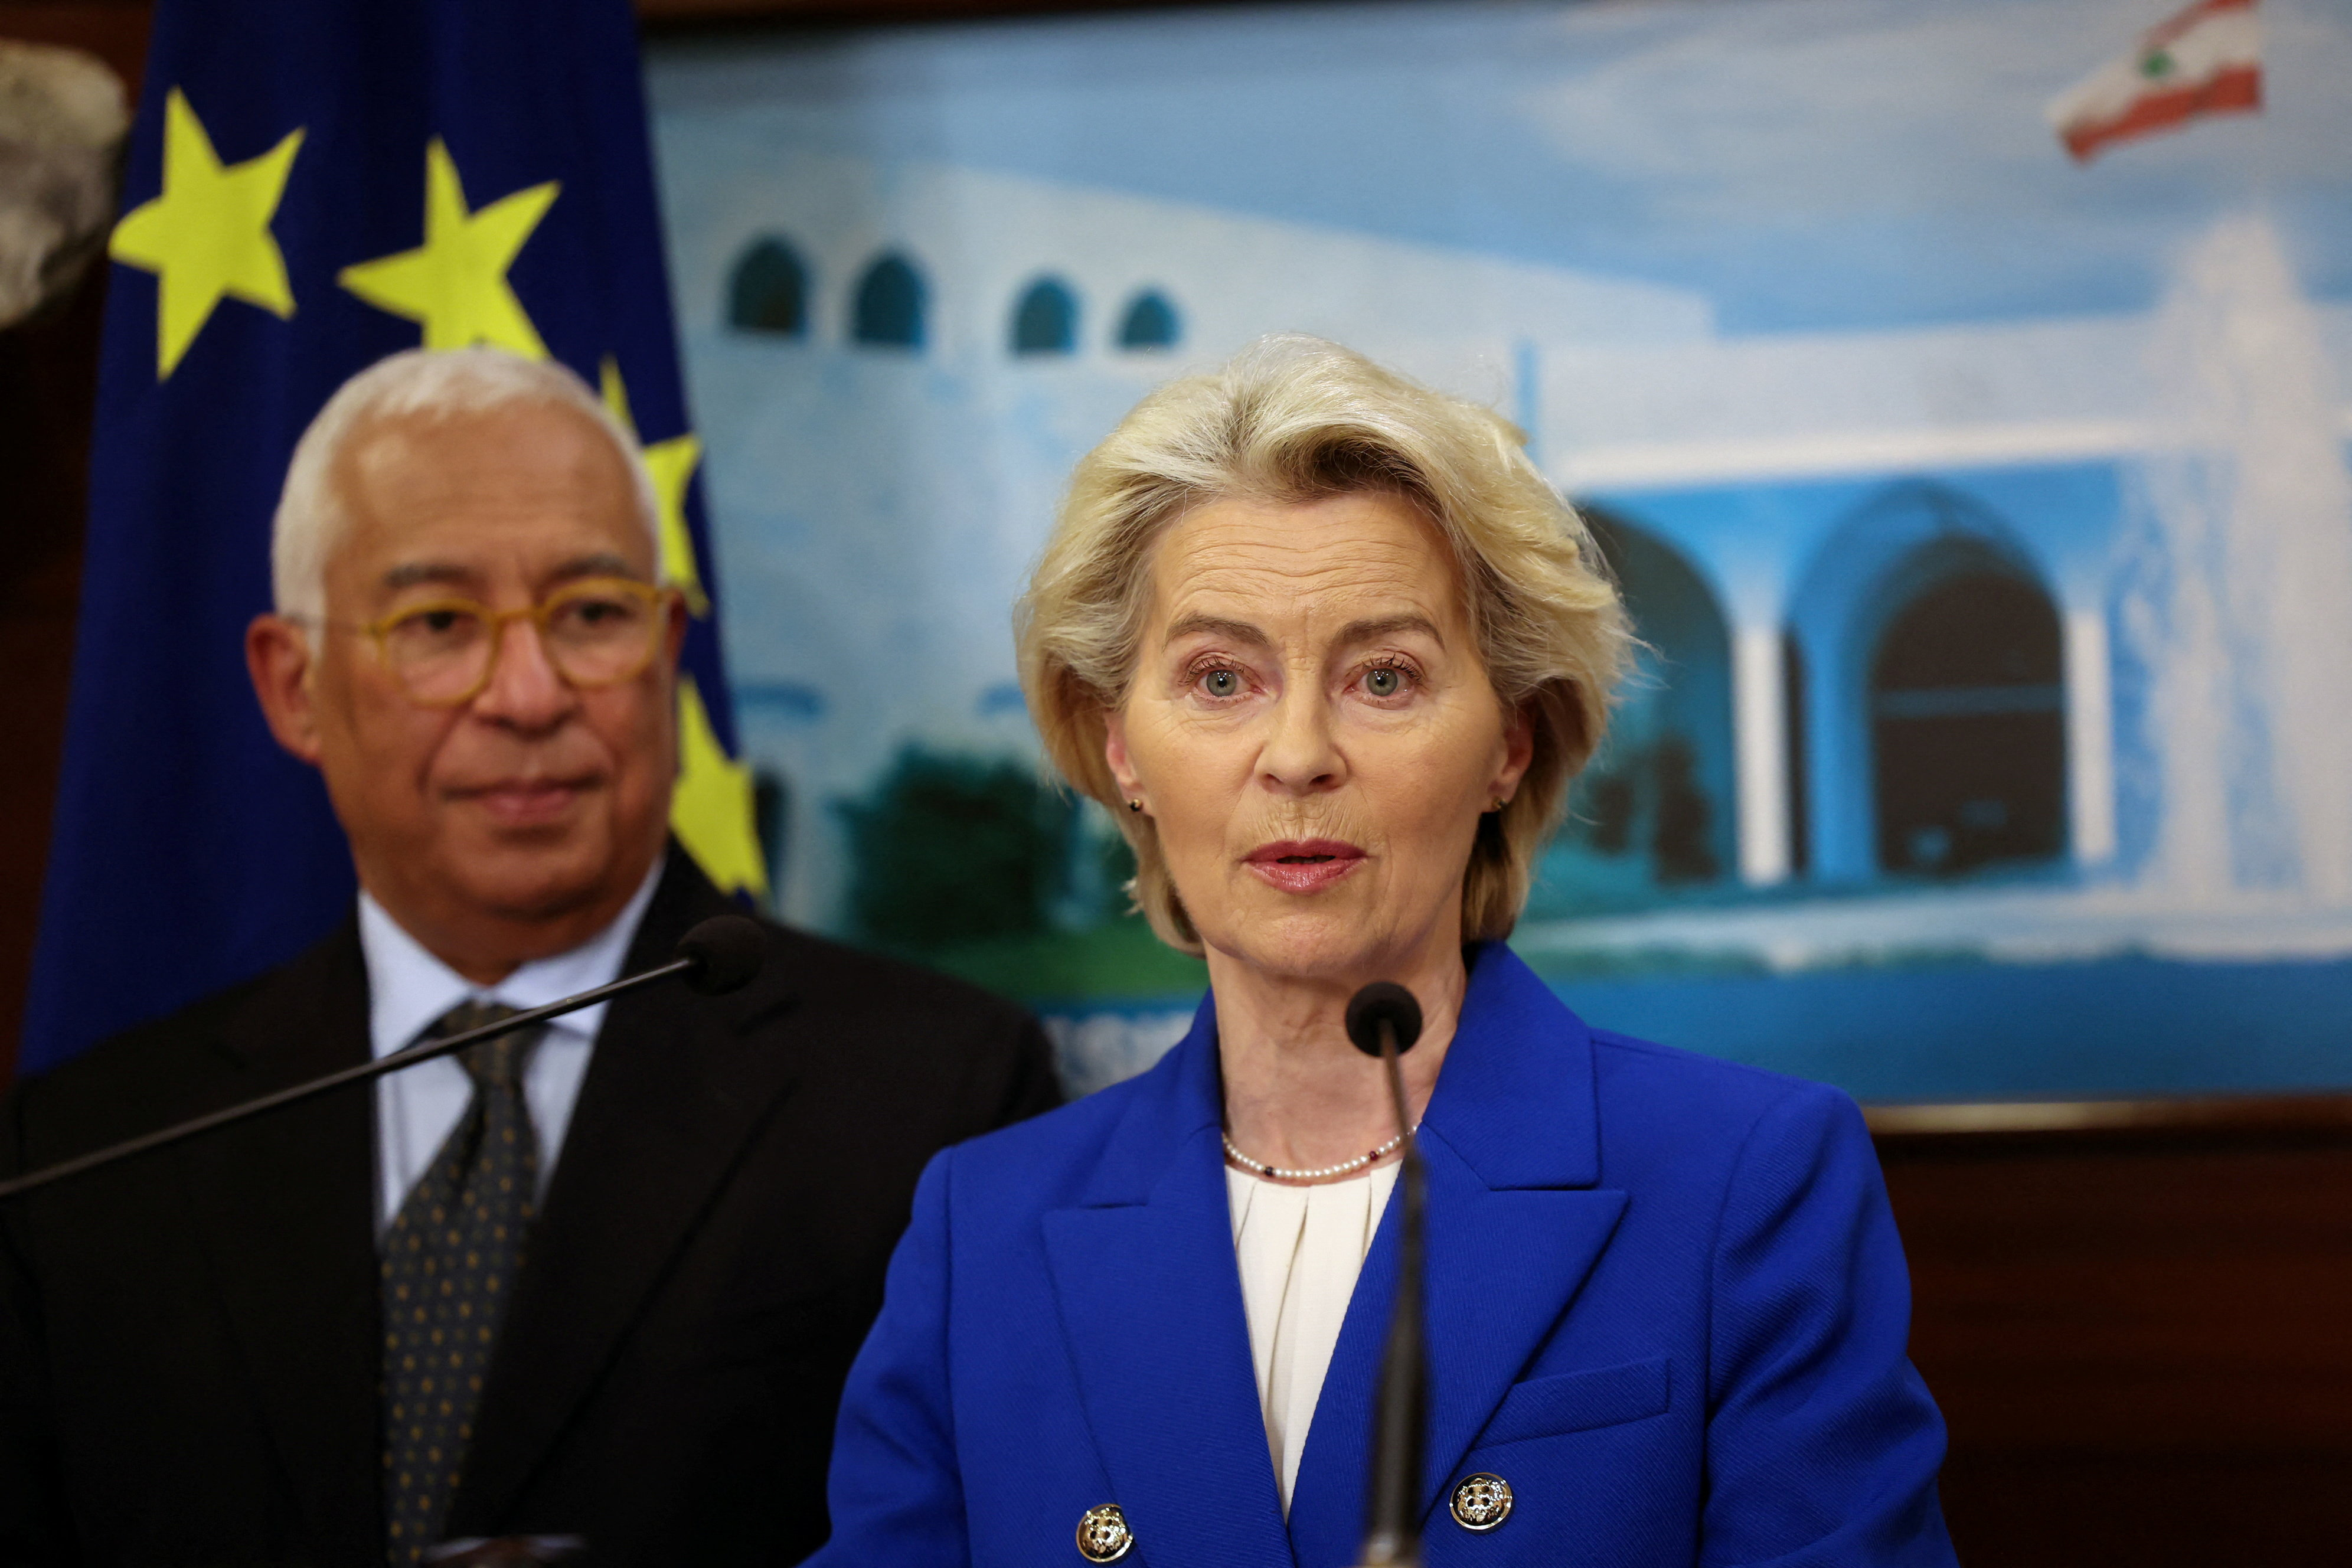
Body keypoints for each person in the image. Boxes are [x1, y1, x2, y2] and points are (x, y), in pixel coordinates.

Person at [810, 336, 1958, 1567]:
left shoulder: (1748, 1179)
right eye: (1219, 678)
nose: (1300, 754)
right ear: (1121, 746)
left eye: (1386, 677)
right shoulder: (982, 1230)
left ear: (1509, 742)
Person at [0, 348, 1059, 1567]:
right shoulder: (89, 1155)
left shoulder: (940, 1099)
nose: (527, 693)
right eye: (439, 624)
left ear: (667, 645)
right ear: (294, 687)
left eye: (593, 614)